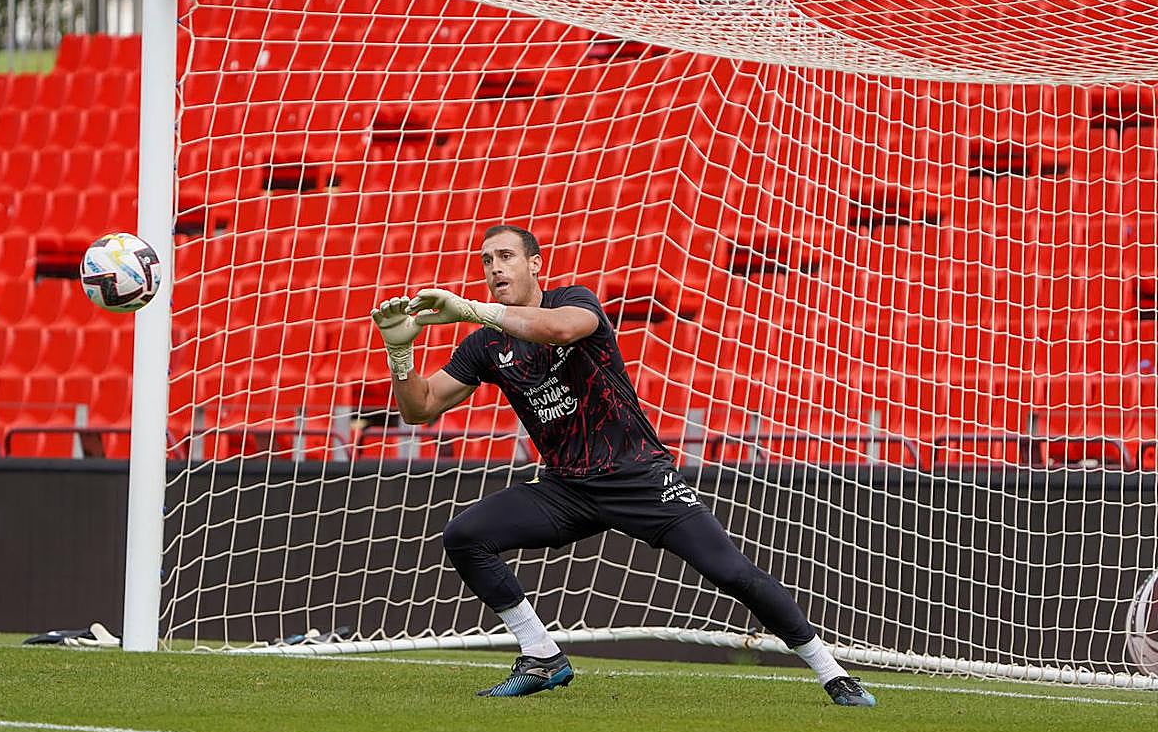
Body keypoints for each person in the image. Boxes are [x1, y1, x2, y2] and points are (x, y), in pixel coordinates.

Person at [369, 224, 875, 706]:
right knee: (464, 536)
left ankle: (833, 674)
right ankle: (542, 656)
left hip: (637, 476)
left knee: (732, 573)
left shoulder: (574, 301)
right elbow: (421, 408)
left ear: (535, 265)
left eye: (506, 257)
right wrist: (399, 351)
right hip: (566, 487)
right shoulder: (484, 345)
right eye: (486, 261)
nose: (495, 268)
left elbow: (559, 331)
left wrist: (471, 310)